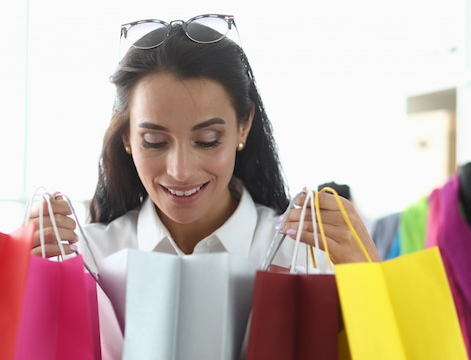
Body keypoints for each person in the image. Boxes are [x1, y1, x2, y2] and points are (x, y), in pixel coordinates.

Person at [29, 14, 380, 267]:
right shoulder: (86, 260)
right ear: (126, 137)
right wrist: (11, 273)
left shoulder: (307, 257)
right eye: (154, 141)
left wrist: (373, 281)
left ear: (244, 127)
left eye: (209, 139)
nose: (180, 171)